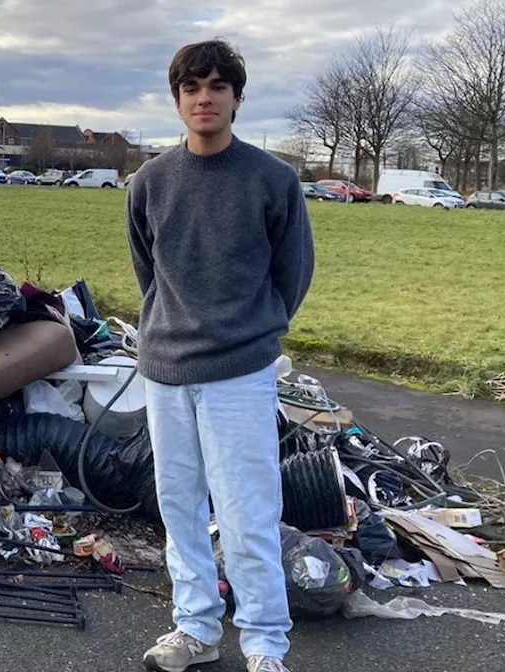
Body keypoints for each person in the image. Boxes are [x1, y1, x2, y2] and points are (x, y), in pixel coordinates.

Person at [125, 38, 315, 672]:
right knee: (180, 508)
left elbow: (293, 274)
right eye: (191, 88)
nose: (203, 98)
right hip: (166, 371)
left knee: (247, 513)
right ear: (178, 99)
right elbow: (149, 275)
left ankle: (264, 645)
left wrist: (253, 331)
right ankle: (197, 631)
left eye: (216, 88)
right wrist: (170, 331)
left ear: (236, 98)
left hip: (240, 371)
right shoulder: (149, 183)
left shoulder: (272, 180)